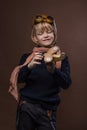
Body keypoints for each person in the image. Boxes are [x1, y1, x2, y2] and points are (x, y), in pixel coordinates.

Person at [9, 14, 72, 130]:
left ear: (54, 33)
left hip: (48, 111)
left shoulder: (61, 58)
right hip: (27, 107)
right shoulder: (27, 57)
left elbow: (66, 83)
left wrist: (54, 71)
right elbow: (19, 79)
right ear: (35, 37)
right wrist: (29, 66)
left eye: (49, 32)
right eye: (40, 33)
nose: (46, 36)